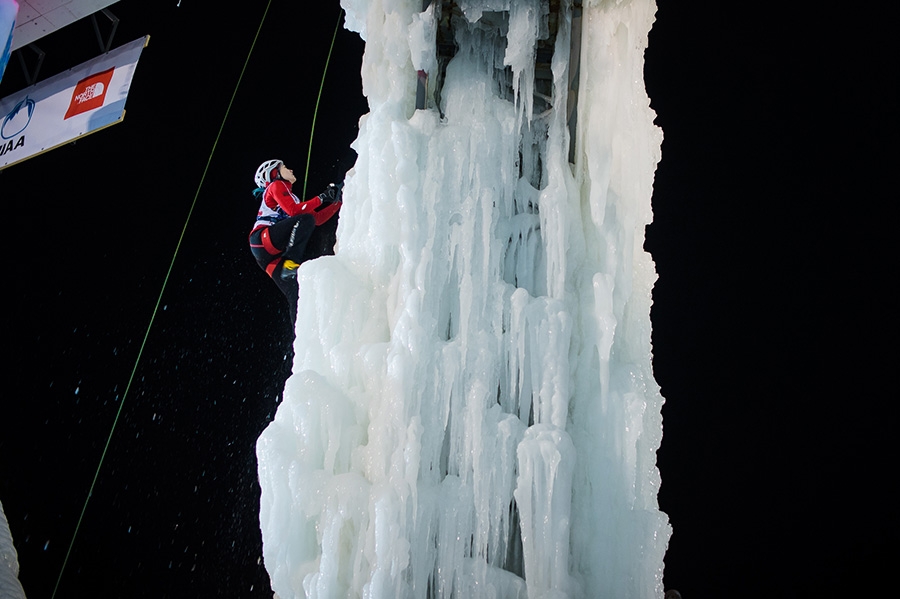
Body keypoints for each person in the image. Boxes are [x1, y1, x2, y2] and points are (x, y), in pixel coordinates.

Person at [248, 159, 342, 322]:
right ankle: (291, 260)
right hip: (261, 239)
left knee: (296, 294)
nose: (290, 169)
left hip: (268, 257)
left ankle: (298, 342)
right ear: (274, 173)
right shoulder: (275, 186)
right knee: (303, 219)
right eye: (284, 167)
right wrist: (321, 197)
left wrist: (338, 203)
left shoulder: (293, 198)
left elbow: (317, 219)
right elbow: (294, 212)